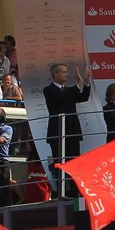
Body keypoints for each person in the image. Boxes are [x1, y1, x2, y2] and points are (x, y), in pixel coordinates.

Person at [44, 62, 91, 197]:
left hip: (72, 130)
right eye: (63, 72)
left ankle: (75, 192)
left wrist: (86, 83)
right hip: (57, 132)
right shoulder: (49, 90)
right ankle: (61, 192)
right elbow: (60, 99)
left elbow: (83, 97)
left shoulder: (69, 90)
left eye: (66, 72)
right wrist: (77, 84)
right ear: (55, 74)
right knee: (60, 162)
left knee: (74, 161)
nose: (66, 74)